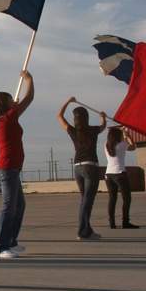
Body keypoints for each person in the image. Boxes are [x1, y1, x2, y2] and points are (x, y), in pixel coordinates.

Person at [0, 70, 35, 259]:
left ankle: (11, 241)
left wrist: (12, 107)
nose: (12, 101)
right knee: (9, 207)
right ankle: (1, 247)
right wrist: (29, 80)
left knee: (19, 206)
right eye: (9, 100)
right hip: (7, 169)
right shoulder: (7, 119)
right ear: (4, 104)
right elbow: (29, 98)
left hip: (10, 169)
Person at [58, 98, 106, 240]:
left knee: (84, 200)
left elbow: (59, 116)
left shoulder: (73, 131)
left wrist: (67, 102)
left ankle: (87, 230)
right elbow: (103, 126)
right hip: (90, 167)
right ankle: (83, 232)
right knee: (87, 201)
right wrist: (103, 117)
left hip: (77, 167)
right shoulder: (93, 130)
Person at [104, 126, 138, 229]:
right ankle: (125, 222)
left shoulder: (106, 145)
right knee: (126, 198)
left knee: (112, 199)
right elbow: (133, 146)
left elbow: (114, 135)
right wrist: (127, 136)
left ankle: (112, 222)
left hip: (109, 174)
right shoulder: (122, 145)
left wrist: (122, 129)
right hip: (120, 173)